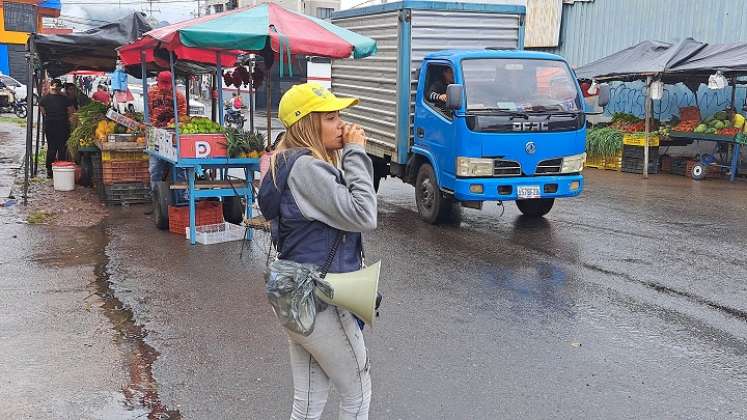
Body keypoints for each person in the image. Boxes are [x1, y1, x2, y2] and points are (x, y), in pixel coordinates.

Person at [258, 82, 377, 420]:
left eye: (340, 116)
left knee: (309, 399)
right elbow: (364, 214)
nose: (342, 125)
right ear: (307, 124)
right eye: (330, 117)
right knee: (357, 393)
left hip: (298, 296)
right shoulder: (307, 168)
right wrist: (356, 152)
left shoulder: (285, 163)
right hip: (322, 298)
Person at [145, 71, 188, 214]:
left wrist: (174, 123)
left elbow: (182, 116)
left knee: (178, 169)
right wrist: (152, 126)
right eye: (163, 84)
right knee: (154, 169)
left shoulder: (179, 96)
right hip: (155, 134)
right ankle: (156, 201)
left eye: (167, 85)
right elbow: (148, 114)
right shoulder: (150, 93)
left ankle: (180, 201)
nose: (165, 88)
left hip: (174, 136)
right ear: (157, 81)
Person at [39, 79, 75, 178]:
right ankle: (60, 169)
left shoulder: (44, 99)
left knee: (51, 148)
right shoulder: (65, 99)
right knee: (62, 148)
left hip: (50, 126)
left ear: (51, 86)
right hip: (63, 126)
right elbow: (71, 112)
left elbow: (43, 112)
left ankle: (50, 171)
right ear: (60, 88)